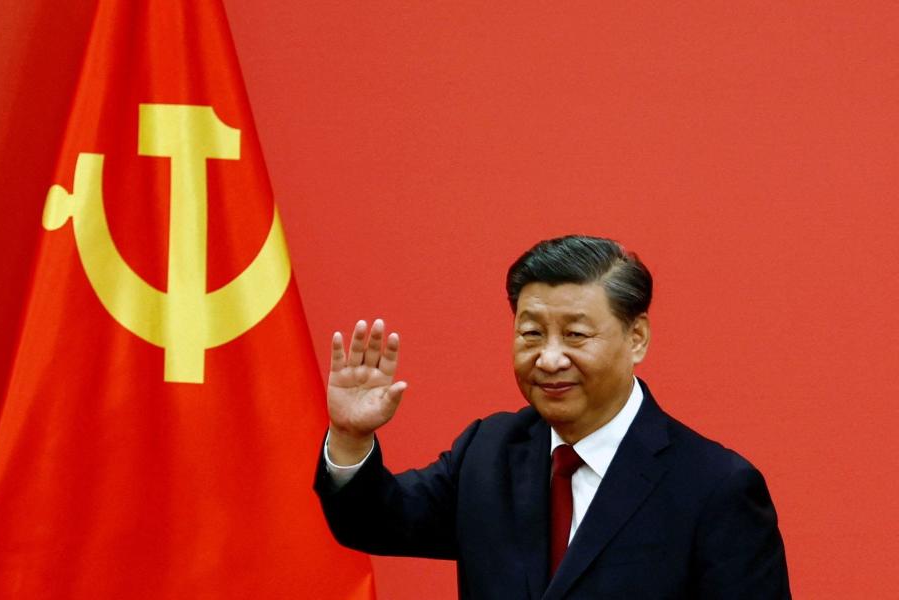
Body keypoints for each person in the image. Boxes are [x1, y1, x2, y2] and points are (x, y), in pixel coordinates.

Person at [314, 236, 791, 599]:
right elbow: (375, 523)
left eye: (576, 335)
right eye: (531, 333)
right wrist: (351, 437)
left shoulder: (715, 487)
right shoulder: (489, 451)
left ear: (637, 338)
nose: (549, 358)